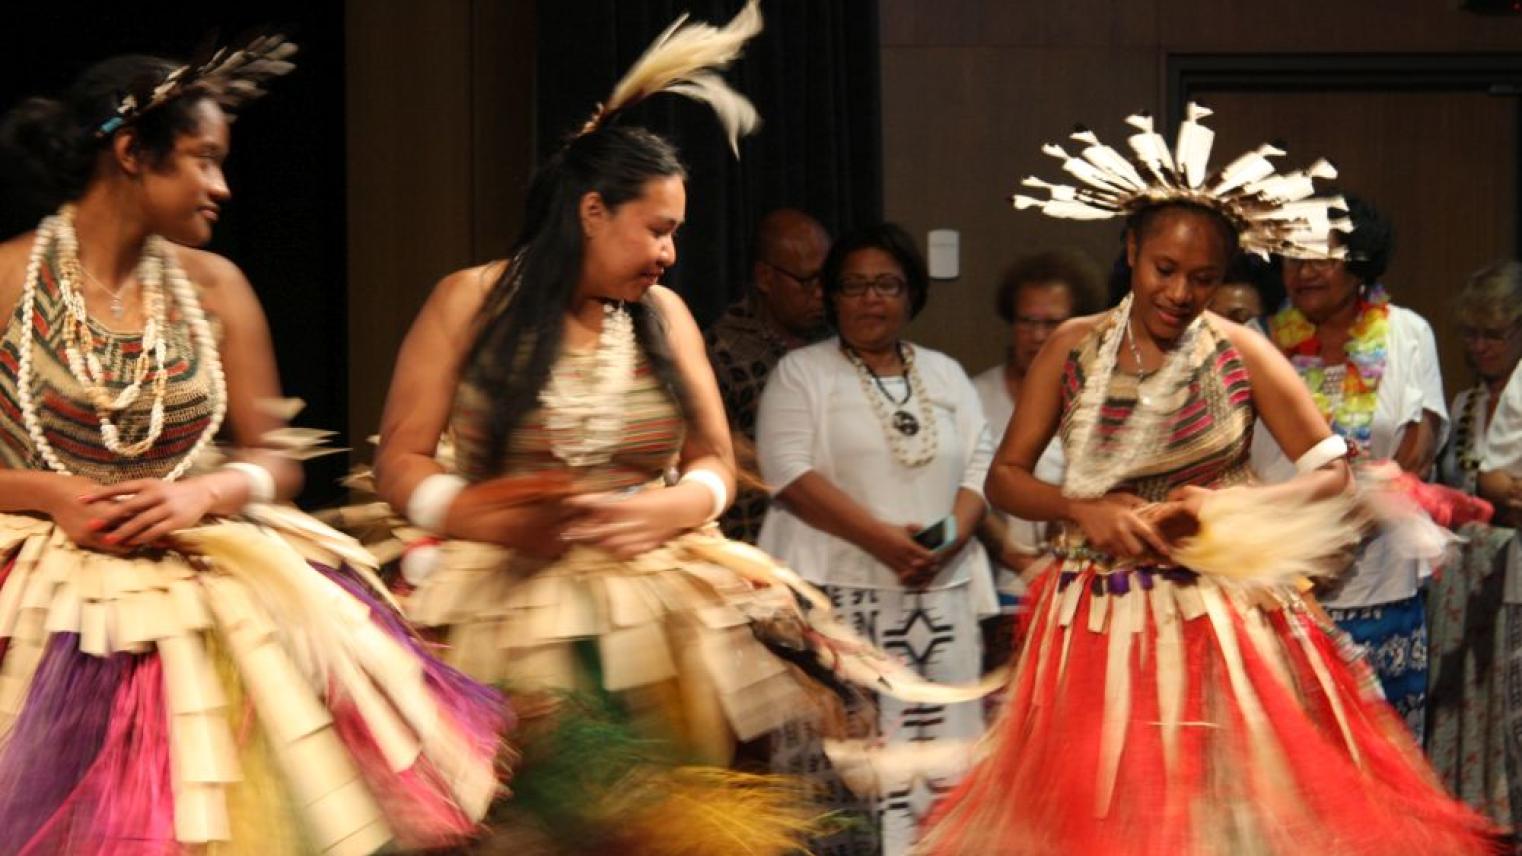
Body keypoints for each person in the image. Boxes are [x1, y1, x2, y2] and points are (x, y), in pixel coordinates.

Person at [369, 7, 968, 850]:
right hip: (497, 598)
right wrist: (483, 516)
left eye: (675, 233)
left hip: (655, 599)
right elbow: (399, 460)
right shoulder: (468, 301)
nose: (670, 253)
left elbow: (717, 464)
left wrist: (667, 509)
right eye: (658, 229)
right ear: (589, 212)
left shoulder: (666, 317)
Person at [921, 104, 1495, 854]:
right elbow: (1006, 479)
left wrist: (1240, 504)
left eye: (1204, 278)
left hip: (1215, 615)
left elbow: (1334, 474)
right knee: (1101, 817)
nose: (1181, 293)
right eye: (1165, 270)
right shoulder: (1072, 346)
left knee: (1222, 818)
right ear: (1130, 250)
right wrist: (1079, 508)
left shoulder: (1240, 349)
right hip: (1092, 614)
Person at [0, 41, 505, 853]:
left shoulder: (217, 288)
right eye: (203, 161)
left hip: (197, 560)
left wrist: (201, 492)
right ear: (131, 153)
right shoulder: (8, 279)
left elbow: (277, 459)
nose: (222, 187)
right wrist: (54, 495)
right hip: (40, 585)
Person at [755, 222, 995, 854]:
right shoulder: (802, 373)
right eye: (854, 285)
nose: (870, 299)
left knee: (940, 773)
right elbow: (787, 473)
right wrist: (886, 542)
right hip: (839, 605)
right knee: (850, 785)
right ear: (831, 296)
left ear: (910, 294)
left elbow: (980, 465)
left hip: (936, 599)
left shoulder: (944, 374)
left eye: (885, 284)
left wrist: (940, 541)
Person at [1256, 194, 1447, 739]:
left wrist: (1343, 534)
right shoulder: (1259, 339)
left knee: (1385, 765)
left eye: (1321, 255)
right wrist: (1302, 556)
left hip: (1380, 585)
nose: (1303, 270)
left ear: (1360, 259)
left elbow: (1417, 450)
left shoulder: (1408, 331)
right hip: (1284, 585)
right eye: (1292, 256)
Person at [1428, 259, 1522, 827]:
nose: (1481, 346)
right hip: (1462, 585)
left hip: (1514, 574)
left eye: (1495, 334)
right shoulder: (1462, 408)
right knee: (1466, 699)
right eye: (1471, 334)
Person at [970, 250, 1094, 661]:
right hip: (998, 589)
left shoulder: (1098, 402)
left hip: (1080, 586)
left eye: (1052, 323)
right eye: (1028, 321)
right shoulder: (976, 395)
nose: (1039, 336)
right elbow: (967, 488)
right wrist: (1016, 557)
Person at [705, 207, 830, 542]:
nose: (820, 293)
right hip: (755, 535)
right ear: (765, 277)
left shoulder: (835, 339)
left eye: (827, 279)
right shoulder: (723, 351)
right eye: (806, 281)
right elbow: (714, 455)